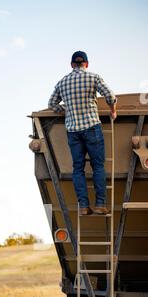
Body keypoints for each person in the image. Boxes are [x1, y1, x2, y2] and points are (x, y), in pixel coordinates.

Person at [48, 51, 117, 215]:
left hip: (73, 131)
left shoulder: (62, 82)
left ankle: (84, 207)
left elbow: (51, 104)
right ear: (86, 63)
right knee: (98, 166)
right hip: (92, 127)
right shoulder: (93, 77)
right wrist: (113, 111)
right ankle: (100, 204)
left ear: (72, 64)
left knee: (78, 168)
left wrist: (66, 111)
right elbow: (111, 97)